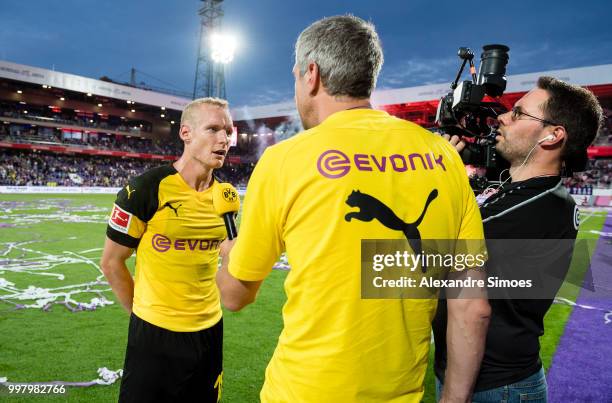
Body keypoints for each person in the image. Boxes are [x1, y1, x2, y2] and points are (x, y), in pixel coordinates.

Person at [216, 15, 490, 403]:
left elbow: (234, 295)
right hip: (402, 392)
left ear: (311, 74)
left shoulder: (285, 160)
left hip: (305, 390)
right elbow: (473, 308)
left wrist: (227, 255)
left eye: (296, 76)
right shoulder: (443, 155)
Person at [433, 77, 604, 402]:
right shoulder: (514, 189)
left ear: (553, 135)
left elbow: (433, 248)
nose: (502, 118)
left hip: (493, 386)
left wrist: (437, 177)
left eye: (518, 113)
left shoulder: (542, 204)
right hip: (477, 375)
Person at [100, 97, 233, 402]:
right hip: (155, 332)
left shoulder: (226, 195)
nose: (224, 139)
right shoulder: (146, 189)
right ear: (186, 133)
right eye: (213, 129)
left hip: (210, 329)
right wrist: (142, 312)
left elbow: (228, 250)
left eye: (227, 131)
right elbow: (111, 262)